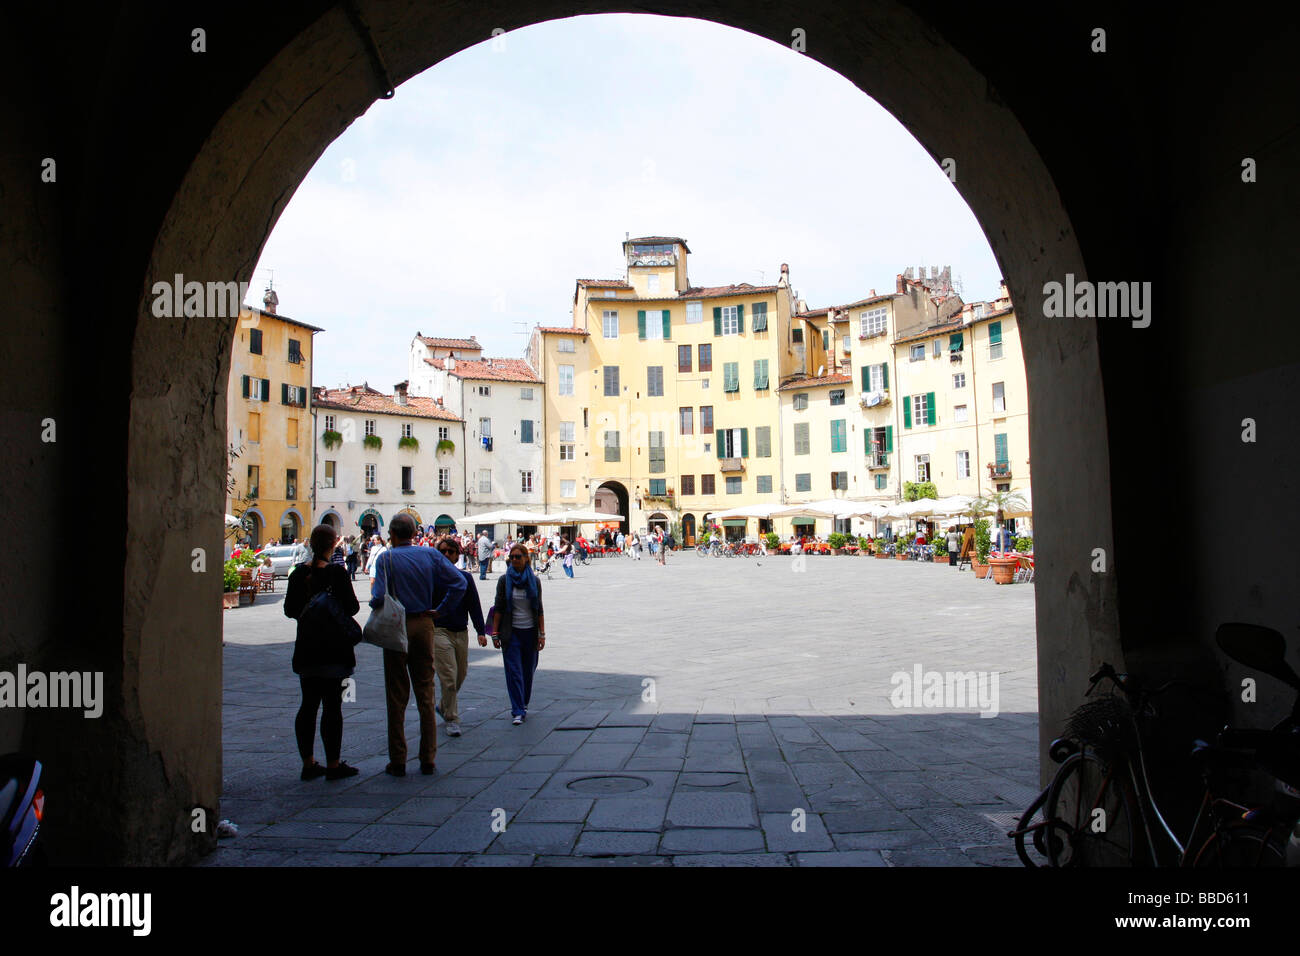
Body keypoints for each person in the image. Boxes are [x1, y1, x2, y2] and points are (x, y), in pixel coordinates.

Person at [370, 513, 467, 776]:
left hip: (396, 626)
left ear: (391, 533)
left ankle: (398, 760)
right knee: (426, 692)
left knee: (396, 693)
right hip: (425, 623)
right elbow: (459, 583)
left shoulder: (385, 559)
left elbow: (378, 597)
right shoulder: (429, 555)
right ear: (415, 533)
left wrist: (376, 603)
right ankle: (428, 758)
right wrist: (441, 610)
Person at [283, 524, 361, 781]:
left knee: (307, 705)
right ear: (333, 545)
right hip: (335, 649)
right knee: (332, 707)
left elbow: (290, 610)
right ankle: (334, 764)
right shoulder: (337, 574)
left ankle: (308, 763)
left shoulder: (297, 575)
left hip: (307, 647)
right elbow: (351, 608)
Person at [433, 537, 487, 737]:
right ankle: (452, 718)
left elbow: (474, 604)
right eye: (443, 551)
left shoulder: (465, 577)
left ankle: (442, 705)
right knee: (448, 676)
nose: (446, 555)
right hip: (439, 631)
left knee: (460, 674)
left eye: (451, 552)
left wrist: (480, 631)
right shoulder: (432, 576)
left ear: (457, 555)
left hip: (460, 631)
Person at [490, 544, 546, 725]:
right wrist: (495, 632)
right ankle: (518, 709)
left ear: (526, 559)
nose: (514, 560)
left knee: (528, 671)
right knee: (514, 672)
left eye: (517, 557)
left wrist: (542, 634)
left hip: (530, 632)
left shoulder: (534, 581)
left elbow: (539, 609)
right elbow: (498, 607)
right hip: (510, 632)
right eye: (511, 557)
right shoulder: (504, 581)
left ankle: (524, 702)